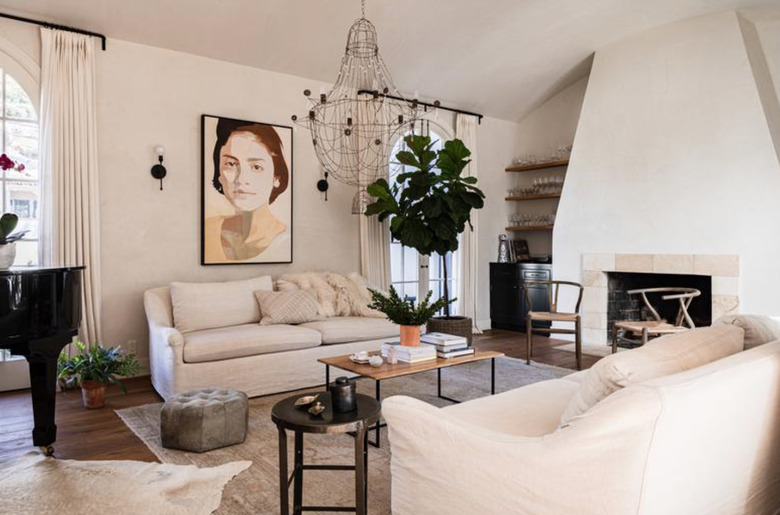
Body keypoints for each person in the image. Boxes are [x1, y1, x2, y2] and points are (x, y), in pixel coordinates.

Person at [204, 118, 290, 262]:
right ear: (219, 174)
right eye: (231, 164)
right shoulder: (207, 229)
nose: (241, 179)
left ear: (277, 177)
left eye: (256, 167)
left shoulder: (285, 243)